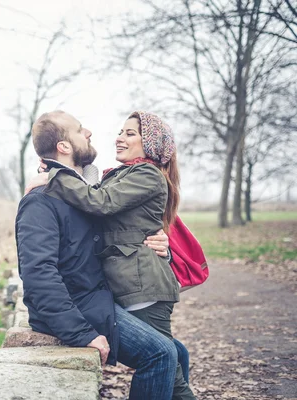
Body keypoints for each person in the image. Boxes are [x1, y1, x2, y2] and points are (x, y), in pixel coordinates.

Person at [25, 110, 194, 399]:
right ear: (64, 146)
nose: (92, 133)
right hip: (95, 298)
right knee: (172, 354)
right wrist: (56, 176)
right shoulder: (45, 200)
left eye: (130, 133)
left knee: (168, 358)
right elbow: (39, 273)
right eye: (81, 130)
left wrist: (56, 175)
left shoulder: (141, 175)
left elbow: (100, 203)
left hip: (137, 288)